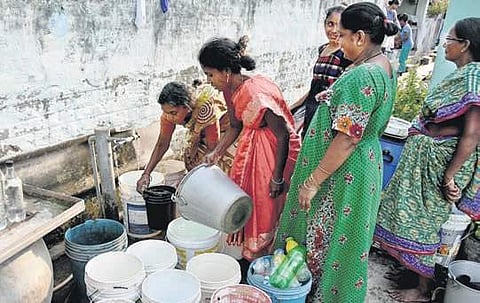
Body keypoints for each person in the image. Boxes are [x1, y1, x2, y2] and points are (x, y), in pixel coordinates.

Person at [275, 2, 398, 302]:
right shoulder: (382, 65)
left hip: (343, 170)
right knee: (341, 234)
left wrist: (313, 180)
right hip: (359, 164)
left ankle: (319, 292)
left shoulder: (362, 76)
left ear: (359, 37)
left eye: (342, 35)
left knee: (327, 232)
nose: (338, 43)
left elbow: (347, 138)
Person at [374, 17, 480, 303]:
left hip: (441, 163)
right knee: (407, 215)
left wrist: (449, 177)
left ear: (465, 45)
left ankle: (422, 289)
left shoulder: (474, 77)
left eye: (450, 39)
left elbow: (471, 134)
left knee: (426, 222)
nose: (445, 43)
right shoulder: (462, 73)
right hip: (428, 156)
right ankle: (411, 271)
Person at [198, 36, 301, 261]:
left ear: (226, 71)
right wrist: (216, 152)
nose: (208, 80)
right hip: (250, 149)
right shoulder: (228, 89)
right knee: (247, 200)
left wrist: (276, 178)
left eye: (210, 74)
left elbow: (283, 134)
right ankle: (250, 252)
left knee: (266, 204)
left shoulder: (257, 93)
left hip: (273, 153)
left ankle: (262, 256)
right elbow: (235, 125)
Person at [136, 81, 228, 192]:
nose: (170, 117)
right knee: (191, 160)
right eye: (166, 113)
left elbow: (213, 149)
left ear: (187, 107)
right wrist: (146, 173)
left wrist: (190, 179)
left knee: (219, 165)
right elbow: (162, 144)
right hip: (202, 132)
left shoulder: (205, 110)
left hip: (225, 130)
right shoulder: (168, 115)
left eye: (174, 113)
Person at [289, 5, 352, 138]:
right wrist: (295, 106)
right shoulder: (322, 49)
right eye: (330, 24)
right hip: (312, 107)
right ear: (324, 24)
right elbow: (315, 84)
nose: (334, 30)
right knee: (306, 140)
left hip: (329, 111)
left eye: (339, 25)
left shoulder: (346, 54)